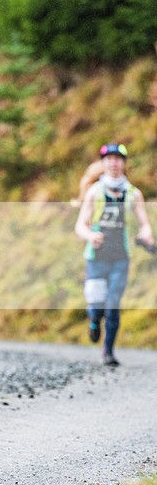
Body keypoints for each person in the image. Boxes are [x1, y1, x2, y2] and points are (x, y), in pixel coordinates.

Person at [74, 143, 153, 366]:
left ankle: (108, 352)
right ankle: (94, 321)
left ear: (124, 163)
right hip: (96, 257)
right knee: (96, 303)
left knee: (113, 303)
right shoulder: (94, 192)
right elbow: (80, 226)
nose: (114, 162)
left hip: (121, 257)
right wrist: (90, 236)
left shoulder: (133, 194)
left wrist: (146, 234)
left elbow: (144, 224)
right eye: (109, 158)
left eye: (118, 158)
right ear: (103, 163)